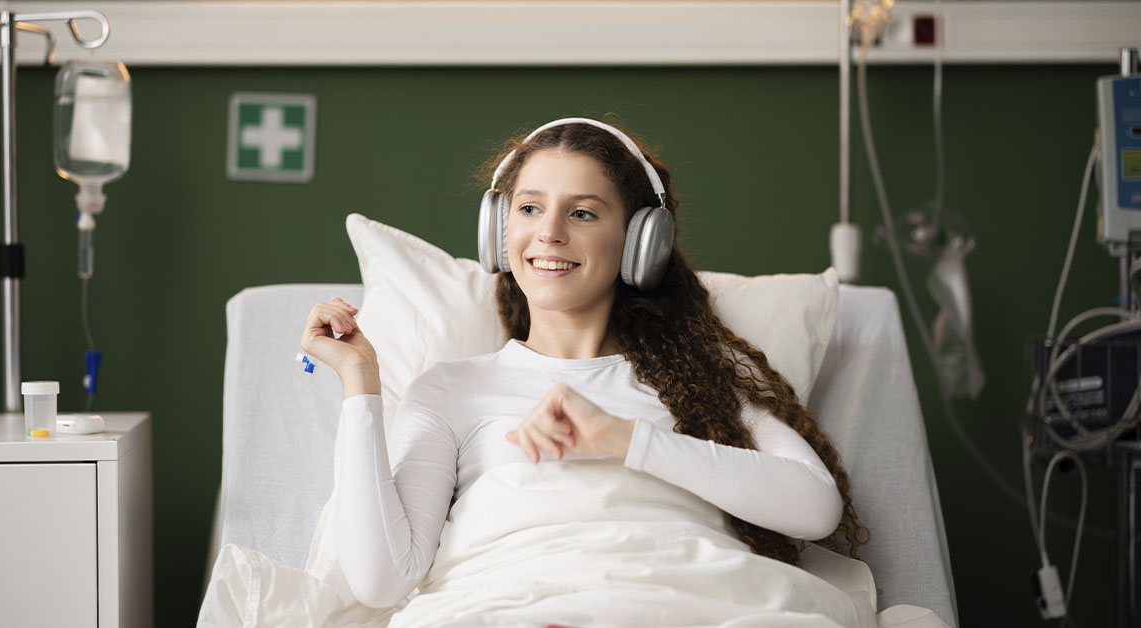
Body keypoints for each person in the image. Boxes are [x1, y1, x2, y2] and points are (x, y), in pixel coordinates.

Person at [298, 117, 868, 614]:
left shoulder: (695, 385)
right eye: (529, 208)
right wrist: (360, 386)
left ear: (641, 241)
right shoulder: (450, 389)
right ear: (499, 231)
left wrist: (621, 439)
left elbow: (815, 508)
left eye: (584, 213)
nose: (549, 233)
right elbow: (381, 579)